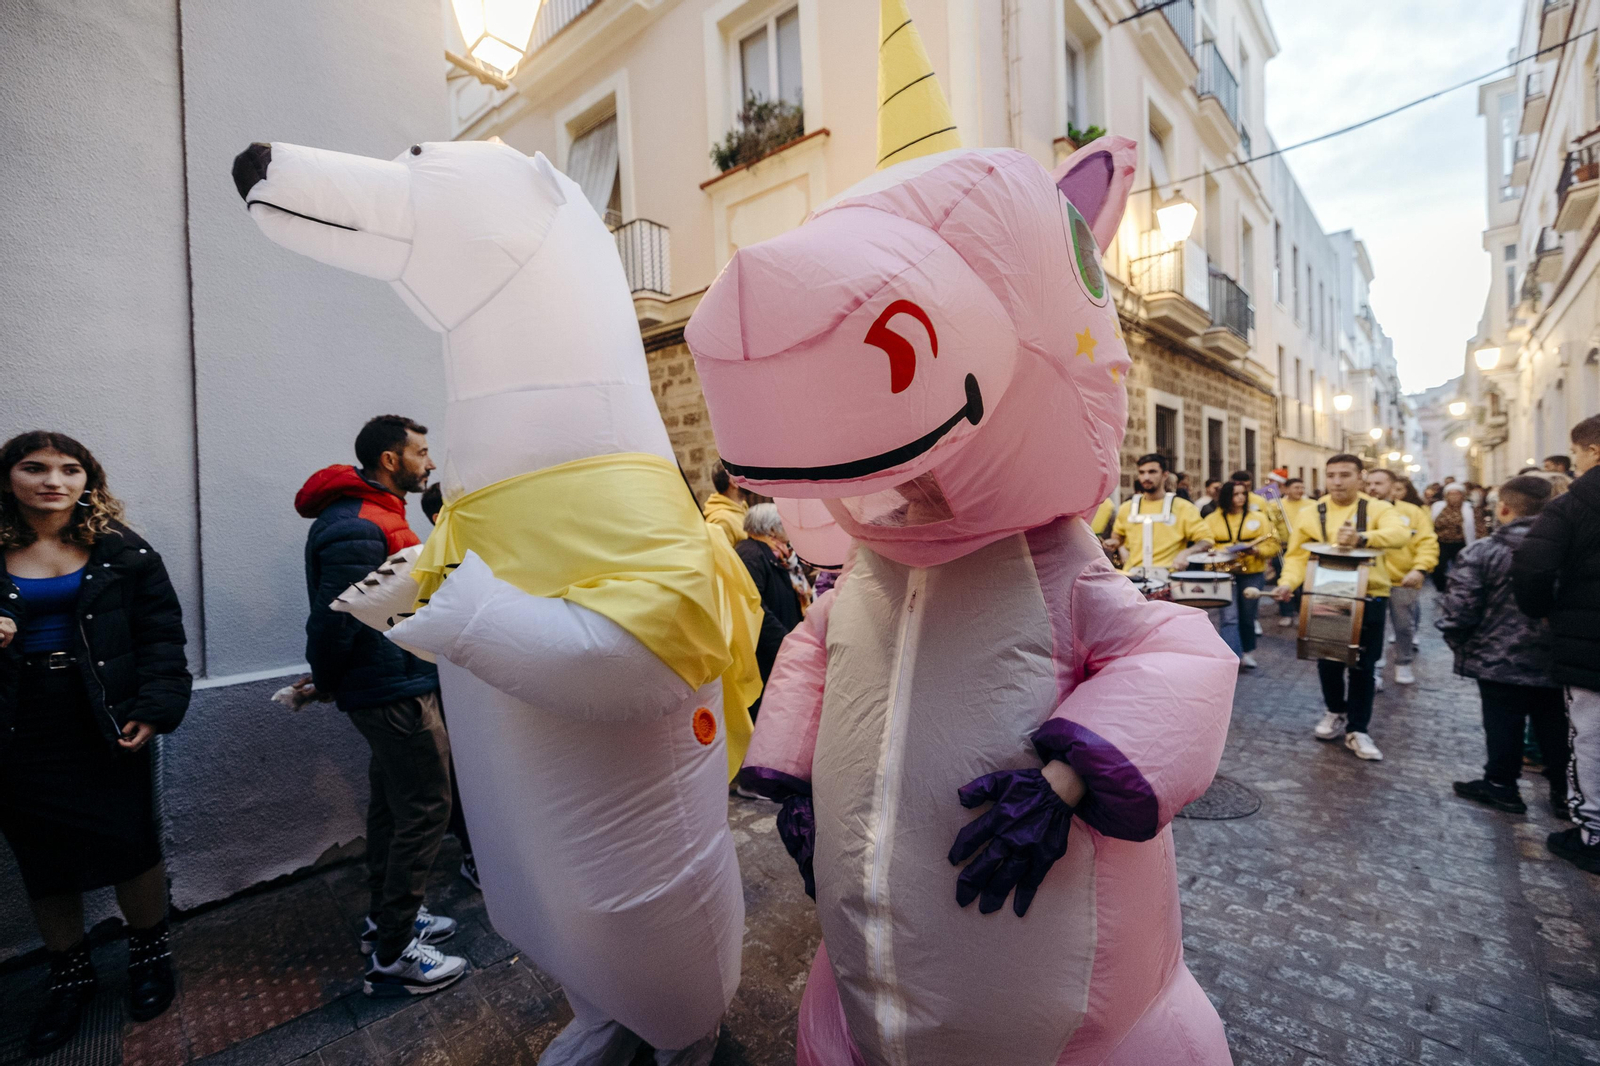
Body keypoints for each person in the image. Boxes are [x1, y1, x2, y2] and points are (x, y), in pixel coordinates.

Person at [0, 432, 191, 1054]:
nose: (53, 480)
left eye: (69, 468)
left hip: (105, 714)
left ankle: (149, 957)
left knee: (130, 841)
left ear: (89, 480)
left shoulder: (121, 551)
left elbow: (161, 634)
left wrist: (156, 708)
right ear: (8, 479)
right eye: (34, 468)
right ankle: (71, 977)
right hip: (18, 723)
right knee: (43, 858)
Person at [295, 415, 466, 996]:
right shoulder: (360, 524)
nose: (431, 463)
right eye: (422, 452)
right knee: (426, 808)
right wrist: (326, 679)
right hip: (392, 689)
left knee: (395, 808)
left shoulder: (379, 515)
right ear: (391, 460)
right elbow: (336, 617)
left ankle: (388, 920)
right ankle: (394, 953)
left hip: (397, 678)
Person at [1440, 476, 1568, 817]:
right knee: (1556, 725)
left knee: (1501, 723)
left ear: (1504, 508)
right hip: (1557, 657)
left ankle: (1501, 785)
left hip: (1498, 657)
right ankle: (1564, 792)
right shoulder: (1570, 550)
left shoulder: (1485, 551)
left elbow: (1459, 610)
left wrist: (1462, 644)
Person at [1274, 454, 1410, 761]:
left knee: (1364, 664)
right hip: (1326, 594)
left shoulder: (1378, 508)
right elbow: (1296, 556)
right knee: (1328, 659)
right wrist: (1287, 583)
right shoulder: (1312, 512)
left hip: (1370, 595)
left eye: (1345, 475)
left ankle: (1358, 729)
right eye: (1331, 475)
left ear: (1360, 477)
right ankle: (1335, 711)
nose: (1337, 481)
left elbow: (1400, 535)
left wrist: (1362, 537)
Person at [1513, 414, 1600, 874]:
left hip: (1589, 640)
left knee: (1589, 736)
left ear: (1595, 451)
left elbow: (1532, 568)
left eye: (1580, 452)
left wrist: (1543, 609)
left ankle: (1592, 834)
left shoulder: (1577, 502)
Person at [417, 484, 478, 891]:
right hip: (456, 690)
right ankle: (474, 856)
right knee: (463, 773)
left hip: (475, 689)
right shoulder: (437, 562)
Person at [1366, 468, 1437, 687]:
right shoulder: (1361, 510)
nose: (1372, 488)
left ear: (1393, 486)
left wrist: (1420, 568)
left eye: (1379, 483)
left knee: (1404, 625)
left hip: (1402, 580)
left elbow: (1427, 542)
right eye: (1369, 483)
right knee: (1371, 628)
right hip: (1369, 580)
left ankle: (1403, 662)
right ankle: (1373, 668)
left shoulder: (1412, 512)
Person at [1200, 480, 1278, 668]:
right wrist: (1221, 550)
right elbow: (1204, 542)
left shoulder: (1259, 518)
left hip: (1252, 572)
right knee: (1229, 617)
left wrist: (1257, 551)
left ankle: (1248, 651)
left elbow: (1273, 545)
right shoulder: (1212, 519)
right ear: (1227, 496)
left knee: (1247, 615)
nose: (1241, 497)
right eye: (1236, 494)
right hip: (1223, 572)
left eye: (1243, 493)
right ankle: (1232, 657)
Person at [736, 503, 804, 706]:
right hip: (765, 655)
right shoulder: (750, 555)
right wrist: (784, 641)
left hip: (778, 650)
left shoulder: (774, 552)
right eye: (784, 523)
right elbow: (754, 606)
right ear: (772, 529)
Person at [1105, 455, 1212, 575]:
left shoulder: (1183, 507)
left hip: (1169, 576)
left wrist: (1186, 553)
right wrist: (1115, 542)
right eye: (1142, 472)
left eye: (1152, 472)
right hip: (1133, 576)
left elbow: (1206, 540)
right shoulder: (1127, 507)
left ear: (1165, 475)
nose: (1146, 477)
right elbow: (1118, 536)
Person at [1275, 477, 1312, 627]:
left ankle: (1302, 613)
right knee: (1284, 582)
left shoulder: (1312, 505)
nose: (1300, 491)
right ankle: (1286, 613)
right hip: (1283, 549)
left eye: (1302, 488)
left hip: (1305, 550)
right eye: (1296, 487)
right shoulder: (1276, 506)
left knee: (1305, 584)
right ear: (1286, 489)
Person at [1430, 483, 1476, 592]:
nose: (1454, 497)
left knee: (1461, 568)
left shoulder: (1469, 508)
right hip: (1441, 542)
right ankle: (1442, 589)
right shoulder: (1438, 507)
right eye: (1451, 494)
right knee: (1438, 567)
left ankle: (1460, 589)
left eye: (1457, 494)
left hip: (1460, 542)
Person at [703, 460, 751, 548]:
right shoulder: (721, 520)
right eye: (744, 475)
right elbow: (723, 559)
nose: (750, 478)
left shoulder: (742, 506)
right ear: (734, 482)